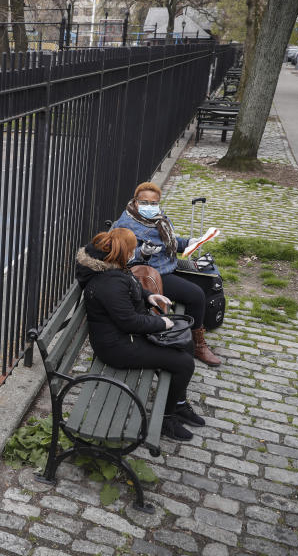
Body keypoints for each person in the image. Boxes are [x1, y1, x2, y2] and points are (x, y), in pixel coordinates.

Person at [75, 228, 205, 441]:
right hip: (117, 348)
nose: (135, 252)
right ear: (123, 253)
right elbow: (129, 321)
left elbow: (130, 288)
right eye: (132, 249)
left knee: (186, 344)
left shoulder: (112, 269)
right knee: (184, 363)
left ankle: (179, 405)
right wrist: (161, 323)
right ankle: (166, 419)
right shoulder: (109, 282)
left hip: (123, 337)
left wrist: (149, 296)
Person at [113, 182, 222, 367]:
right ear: (135, 202)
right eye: (144, 202)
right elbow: (122, 258)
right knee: (196, 295)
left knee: (207, 280)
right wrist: (142, 252)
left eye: (154, 202)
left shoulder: (159, 218)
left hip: (169, 264)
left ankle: (190, 330)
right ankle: (197, 345)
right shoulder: (126, 224)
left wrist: (188, 242)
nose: (150, 206)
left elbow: (169, 242)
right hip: (153, 273)